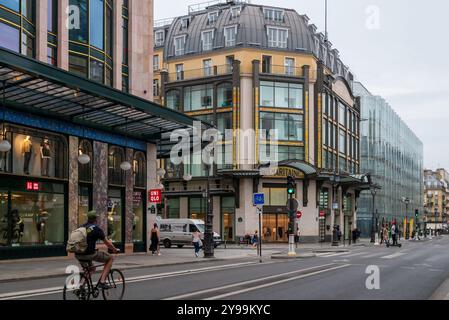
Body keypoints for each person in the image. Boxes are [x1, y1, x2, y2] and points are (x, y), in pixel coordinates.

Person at [75, 211, 119, 290]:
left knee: (91, 269)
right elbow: (107, 243)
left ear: (88, 218)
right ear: (96, 219)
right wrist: (114, 249)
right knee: (110, 258)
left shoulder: (81, 227)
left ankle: (81, 287)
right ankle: (102, 282)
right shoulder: (97, 229)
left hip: (78, 254)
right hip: (89, 254)